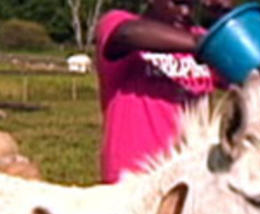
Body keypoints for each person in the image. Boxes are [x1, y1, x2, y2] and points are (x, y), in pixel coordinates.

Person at [95, 0, 232, 183]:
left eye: (191, 5)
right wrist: (204, 44)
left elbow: (250, 70)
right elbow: (127, 34)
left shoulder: (203, 40)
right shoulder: (119, 23)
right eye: (177, 3)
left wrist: (223, 14)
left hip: (190, 175)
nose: (184, 11)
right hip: (134, 176)